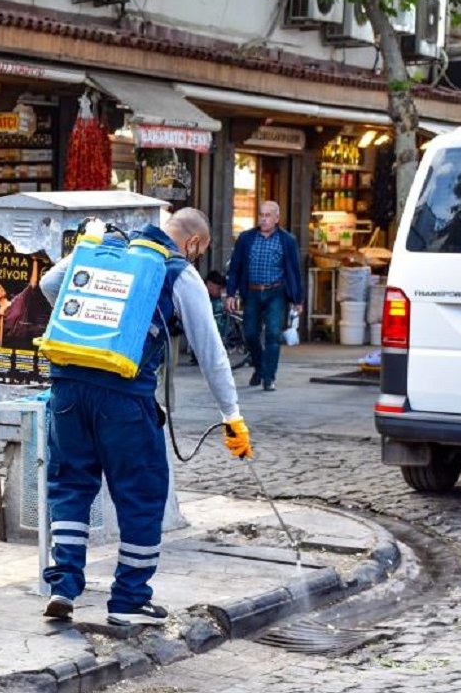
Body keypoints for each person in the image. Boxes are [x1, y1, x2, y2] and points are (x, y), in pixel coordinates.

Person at [38, 208, 254, 627]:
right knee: (141, 492)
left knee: (70, 485)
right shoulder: (178, 271)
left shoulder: (102, 246)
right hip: (124, 396)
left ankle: (63, 584)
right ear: (192, 244)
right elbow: (210, 351)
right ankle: (129, 598)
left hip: (67, 386)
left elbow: (50, 284)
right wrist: (232, 414)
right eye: (199, 253)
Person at [226, 200, 304, 392]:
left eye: (268, 215)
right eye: (261, 215)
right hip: (252, 291)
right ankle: (259, 368)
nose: (264, 219)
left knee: (273, 334)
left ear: (277, 218)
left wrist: (298, 299)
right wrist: (230, 294)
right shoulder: (246, 238)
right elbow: (235, 268)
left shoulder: (287, 240)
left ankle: (269, 377)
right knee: (250, 333)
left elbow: (294, 270)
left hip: (276, 292)